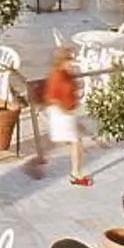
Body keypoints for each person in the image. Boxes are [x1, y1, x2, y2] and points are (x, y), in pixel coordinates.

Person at [39, 51, 87, 185]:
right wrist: (65, 110)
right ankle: (76, 174)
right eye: (69, 61)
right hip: (62, 113)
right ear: (62, 61)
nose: (71, 63)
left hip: (67, 112)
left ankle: (75, 172)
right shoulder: (57, 75)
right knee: (76, 142)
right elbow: (51, 96)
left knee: (71, 141)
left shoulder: (65, 74)